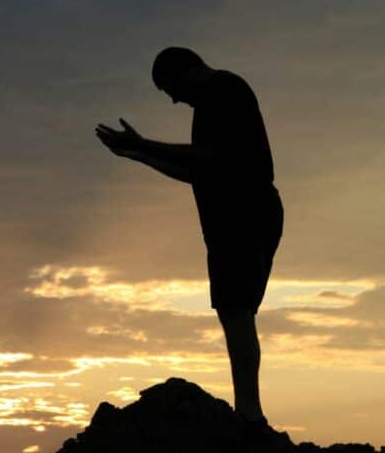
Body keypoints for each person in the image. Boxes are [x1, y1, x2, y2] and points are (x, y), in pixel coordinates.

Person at [94, 46, 283, 430]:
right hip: (239, 218)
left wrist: (145, 144)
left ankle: (249, 412)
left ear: (188, 69)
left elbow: (209, 157)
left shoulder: (225, 89)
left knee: (236, 310)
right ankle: (249, 410)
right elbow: (199, 169)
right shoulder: (213, 103)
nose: (175, 99)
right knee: (236, 313)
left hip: (245, 215)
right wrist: (140, 156)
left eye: (171, 89)